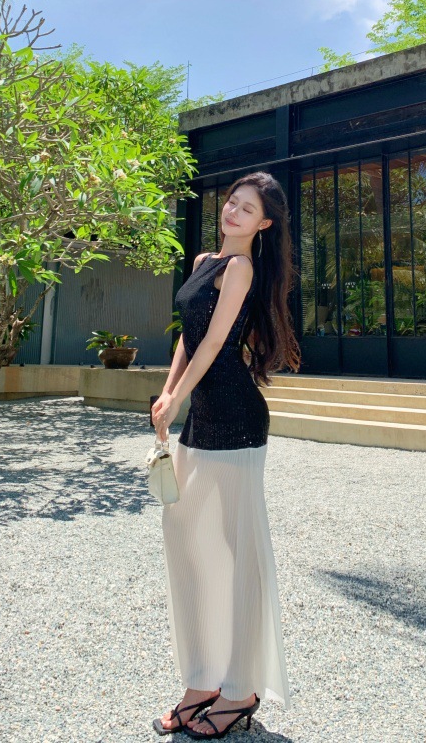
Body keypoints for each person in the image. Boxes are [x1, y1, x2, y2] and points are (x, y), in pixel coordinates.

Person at [151, 171, 300, 739]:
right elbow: (188, 336)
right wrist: (168, 391)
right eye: (231, 202)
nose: (232, 212)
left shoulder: (241, 268)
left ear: (264, 224)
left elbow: (216, 342)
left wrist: (177, 399)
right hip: (202, 416)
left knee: (240, 554)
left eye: (247, 209)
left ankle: (240, 690)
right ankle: (202, 681)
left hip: (237, 418)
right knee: (188, 544)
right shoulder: (202, 262)